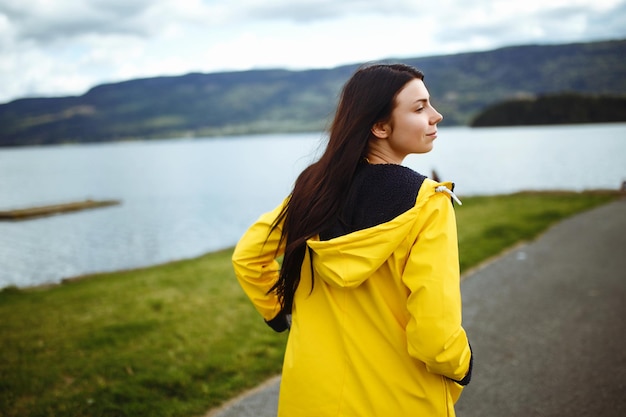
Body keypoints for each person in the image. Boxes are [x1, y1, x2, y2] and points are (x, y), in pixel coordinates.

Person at [232, 63, 473, 416]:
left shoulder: (314, 189)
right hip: (400, 399)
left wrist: (279, 313)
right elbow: (435, 337)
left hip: (312, 397)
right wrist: (461, 366)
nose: (436, 115)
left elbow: (249, 257)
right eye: (419, 108)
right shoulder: (427, 203)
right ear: (378, 126)